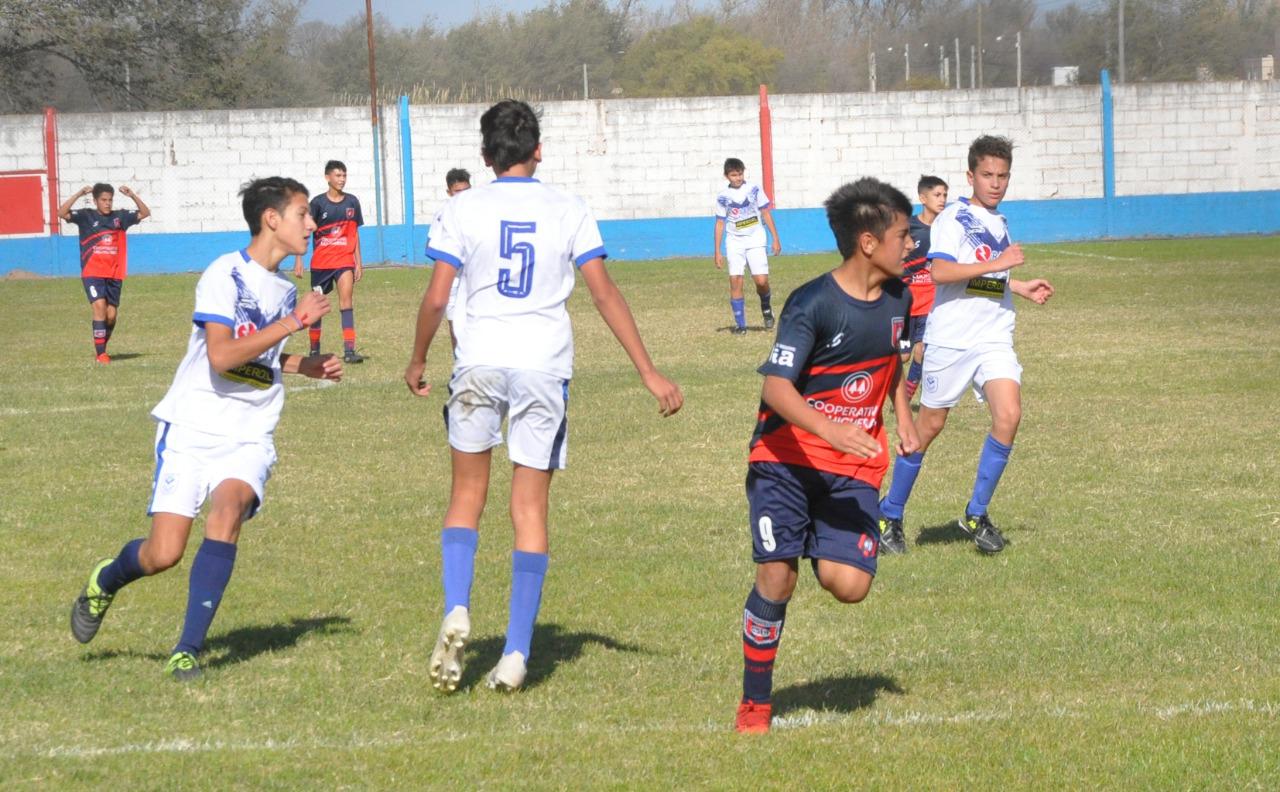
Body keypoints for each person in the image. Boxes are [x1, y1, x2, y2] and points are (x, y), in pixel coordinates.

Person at [404, 100, 684, 693]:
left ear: (485, 157)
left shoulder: (461, 208)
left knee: (465, 496)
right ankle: (515, 653)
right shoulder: (568, 208)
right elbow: (604, 294)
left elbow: (436, 298)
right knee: (529, 509)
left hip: (479, 361)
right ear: (538, 150)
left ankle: (458, 606)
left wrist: (418, 357)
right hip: (542, 366)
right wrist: (648, 371)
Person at [69, 177, 343, 681]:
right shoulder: (224, 274)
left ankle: (187, 649)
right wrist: (294, 324)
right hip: (194, 425)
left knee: (228, 510)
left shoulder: (286, 289)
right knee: (163, 553)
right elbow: (221, 356)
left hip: (249, 432)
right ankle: (105, 579)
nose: (312, 223)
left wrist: (302, 365)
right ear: (272, 219)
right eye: (303, 213)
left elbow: (261, 354)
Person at [734, 177, 918, 735]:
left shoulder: (900, 299)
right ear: (868, 242)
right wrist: (830, 429)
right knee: (777, 577)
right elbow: (776, 388)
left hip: (851, 466)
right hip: (784, 458)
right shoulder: (811, 302)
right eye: (904, 235)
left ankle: (814, 533)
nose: (911, 244)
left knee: (850, 585)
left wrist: (903, 415)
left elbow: (891, 361)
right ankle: (755, 703)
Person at [878, 135, 1054, 555]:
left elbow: (980, 278)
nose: (995, 183)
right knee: (928, 428)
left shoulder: (998, 221)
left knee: (1009, 415)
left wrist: (1017, 286)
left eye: (1002, 176)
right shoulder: (952, 218)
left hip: (993, 336)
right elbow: (940, 272)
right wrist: (1000, 263)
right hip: (952, 340)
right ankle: (889, 514)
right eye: (987, 175)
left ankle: (976, 514)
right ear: (970, 176)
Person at [58, 183, 151, 363]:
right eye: (103, 200)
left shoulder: (120, 217)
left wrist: (132, 195)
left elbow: (145, 213)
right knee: (99, 307)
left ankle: (101, 347)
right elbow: (61, 213)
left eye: (110, 200)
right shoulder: (86, 216)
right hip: (92, 272)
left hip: (114, 273)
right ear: (95, 201)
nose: (107, 203)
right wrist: (78, 193)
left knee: (111, 315)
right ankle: (101, 354)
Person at [293, 160, 365, 363]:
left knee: (346, 301)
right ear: (328, 177)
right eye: (338, 175)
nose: (342, 179)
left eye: (344, 175)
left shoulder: (352, 202)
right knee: (317, 306)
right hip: (321, 264)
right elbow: (303, 229)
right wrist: (298, 258)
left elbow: (354, 233)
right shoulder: (317, 204)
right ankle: (314, 350)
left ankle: (349, 351)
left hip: (344, 260)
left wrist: (358, 262)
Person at [714, 158, 781, 335]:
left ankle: (766, 307)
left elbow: (765, 213)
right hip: (734, 241)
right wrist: (717, 251)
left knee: (761, 281)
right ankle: (741, 325)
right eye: (733, 175)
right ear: (726, 176)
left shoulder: (754, 189)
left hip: (755, 238)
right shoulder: (723, 196)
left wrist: (775, 238)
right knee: (736, 280)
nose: (737, 178)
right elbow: (720, 223)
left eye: (740, 174)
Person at [900, 175, 948, 400]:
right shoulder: (908, 228)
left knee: (922, 350)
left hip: (931, 302)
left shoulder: (947, 229)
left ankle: (906, 398)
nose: (942, 199)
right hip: (906, 303)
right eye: (937, 195)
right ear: (922, 198)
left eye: (945, 195)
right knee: (904, 356)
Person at [434, 167, 472, 353]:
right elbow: (434, 247)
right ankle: (459, 363)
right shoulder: (443, 215)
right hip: (453, 278)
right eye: (458, 192)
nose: (463, 196)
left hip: (475, 277)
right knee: (455, 325)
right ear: (449, 192)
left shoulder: (481, 213)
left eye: (467, 190)